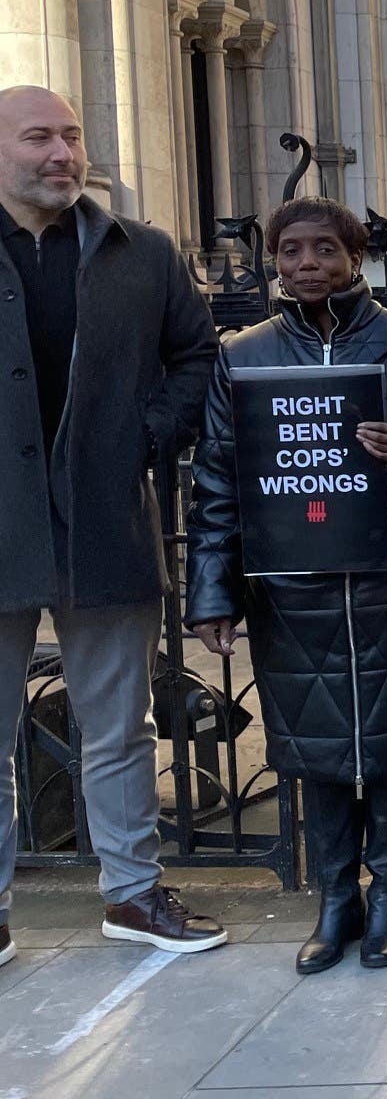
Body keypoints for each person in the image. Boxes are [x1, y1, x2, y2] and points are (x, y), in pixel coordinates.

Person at [186, 196, 387, 973]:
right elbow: (218, 478)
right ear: (273, 260)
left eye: (323, 250)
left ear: (355, 255)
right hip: (292, 587)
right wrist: (210, 590)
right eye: (290, 251)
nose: (306, 264)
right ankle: (335, 895)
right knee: (313, 748)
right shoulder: (241, 354)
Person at [0, 85, 223, 966]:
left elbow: (198, 356)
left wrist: (145, 435)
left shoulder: (143, 253)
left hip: (104, 525)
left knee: (119, 724)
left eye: (72, 136)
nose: (61, 153)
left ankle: (132, 895)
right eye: (37, 138)